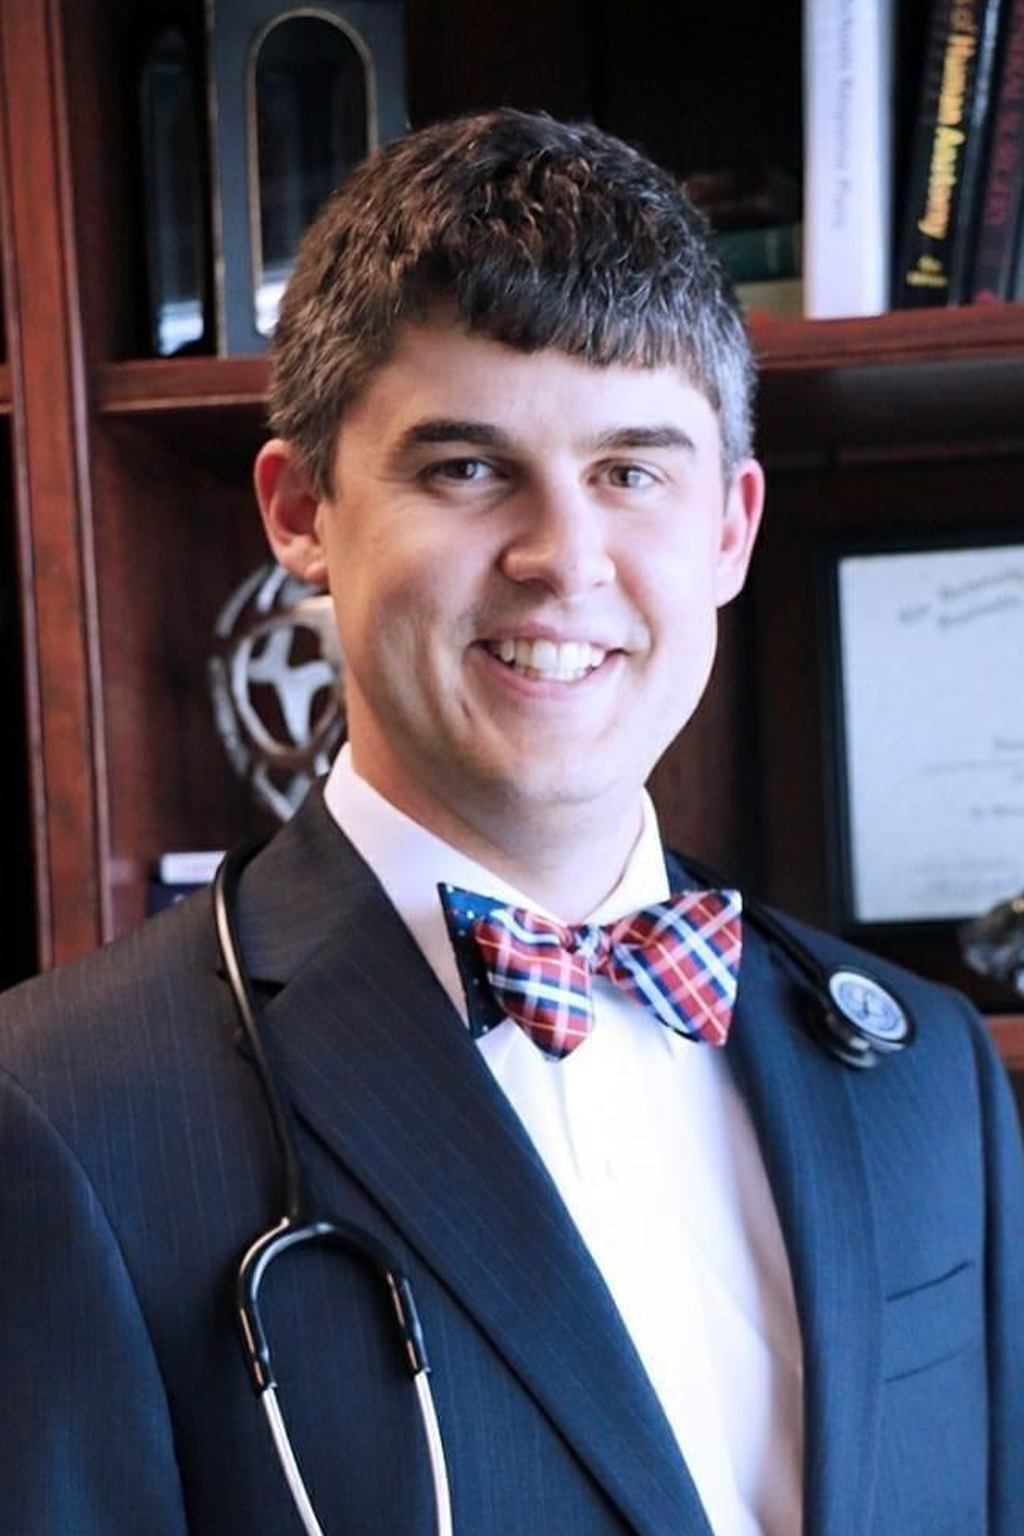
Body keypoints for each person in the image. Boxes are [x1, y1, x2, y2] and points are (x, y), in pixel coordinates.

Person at [1, 108, 1022, 1536]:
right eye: (467, 468)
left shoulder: (926, 1076)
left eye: (631, 471)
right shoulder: (59, 1103)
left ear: (728, 527)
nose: (563, 561)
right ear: (301, 512)